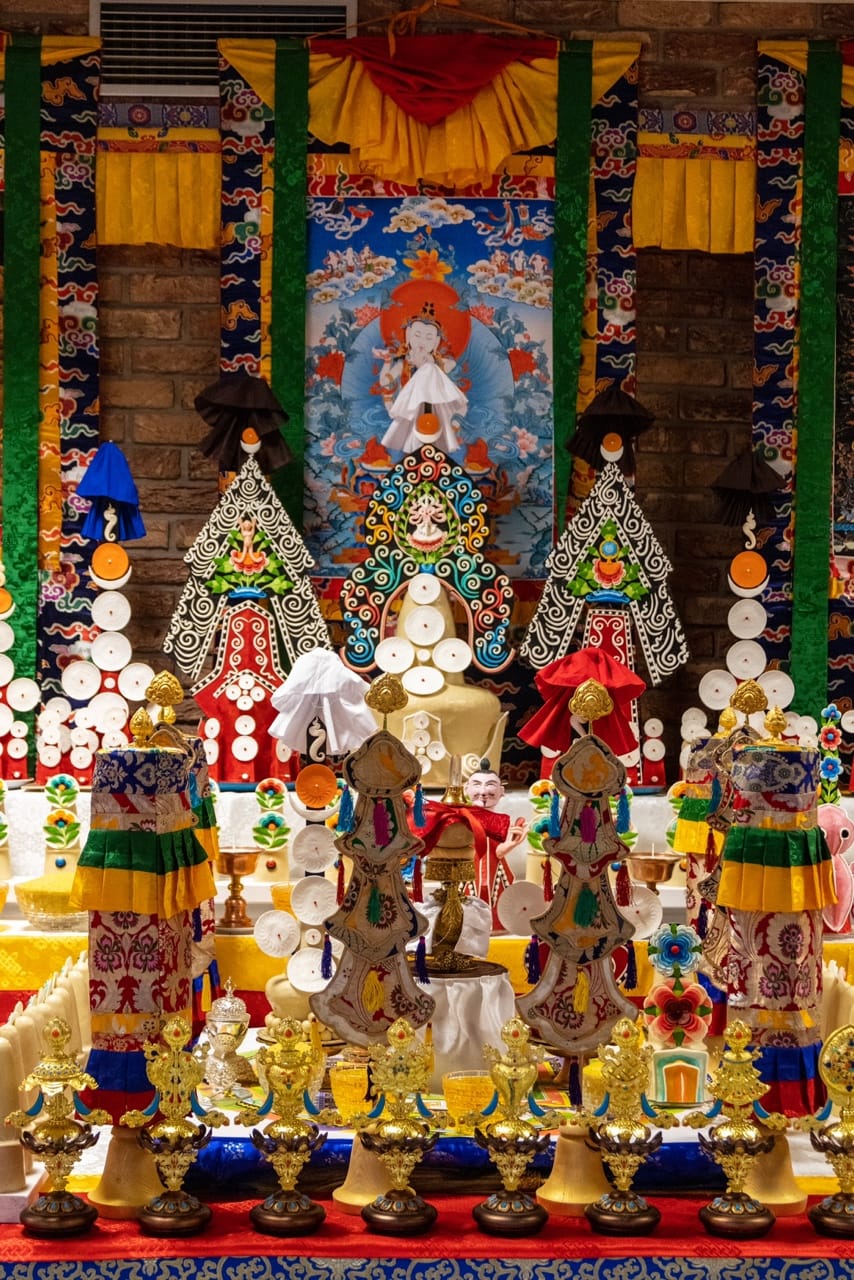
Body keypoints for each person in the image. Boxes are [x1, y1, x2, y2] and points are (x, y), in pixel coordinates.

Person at [374, 304, 467, 455]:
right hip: (412, 408)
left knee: (430, 369)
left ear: (436, 342)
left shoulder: (437, 365)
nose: (422, 341)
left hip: (434, 411)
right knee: (414, 446)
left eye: (429, 337)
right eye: (417, 335)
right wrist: (387, 361)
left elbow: (451, 365)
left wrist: (430, 362)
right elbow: (384, 381)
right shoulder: (404, 363)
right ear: (408, 335)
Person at [467, 760, 528, 930]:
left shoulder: (501, 820)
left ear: (501, 791)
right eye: (477, 785)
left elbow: (497, 852)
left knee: (495, 895)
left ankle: (494, 925)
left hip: (495, 869)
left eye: (490, 785)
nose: (483, 792)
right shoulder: (463, 817)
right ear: (466, 789)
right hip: (469, 867)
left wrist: (512, 843)